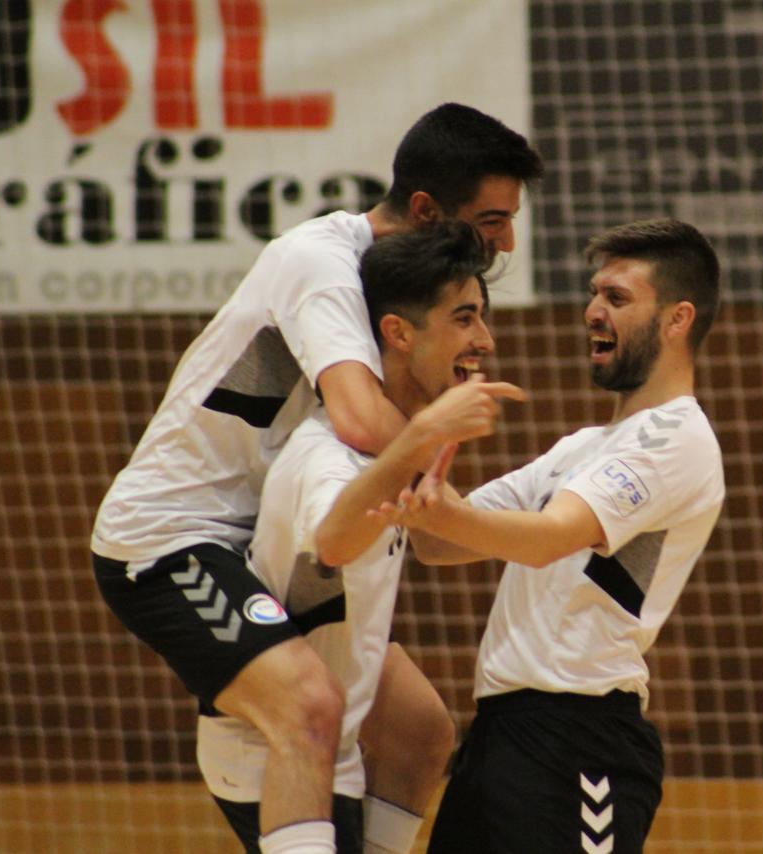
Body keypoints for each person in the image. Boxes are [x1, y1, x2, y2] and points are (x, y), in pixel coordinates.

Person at [91, 104, 542, 854]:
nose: (507, 243)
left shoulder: (392, 287)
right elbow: (366, 422)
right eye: (492, 221)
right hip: (171, 539)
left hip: (264, 528)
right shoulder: (321, 259)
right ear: (426, 211)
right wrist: (442, 483)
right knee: (309, 705)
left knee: (421, 731)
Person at [374, 218, 725, 854]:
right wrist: (422, 419)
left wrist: (431, 494)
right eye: (594, 293)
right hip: (502, 736)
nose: (593, 310)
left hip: (580, 742)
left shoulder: (677, 436)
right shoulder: (583, 447)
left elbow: (547, 538)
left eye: (617, 298)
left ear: (677, 320)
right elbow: (440, 543)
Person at [198, 222, 524, 853]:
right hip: (274, 751)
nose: (484, 339)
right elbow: (335, 541)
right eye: (464, 318)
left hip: (334, 742)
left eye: (482, 318)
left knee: (426, 729)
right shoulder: (334, 455)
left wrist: (556, 527)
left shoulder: (394, 444)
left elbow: (438, 540)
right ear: (398, 333)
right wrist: (422, 437)